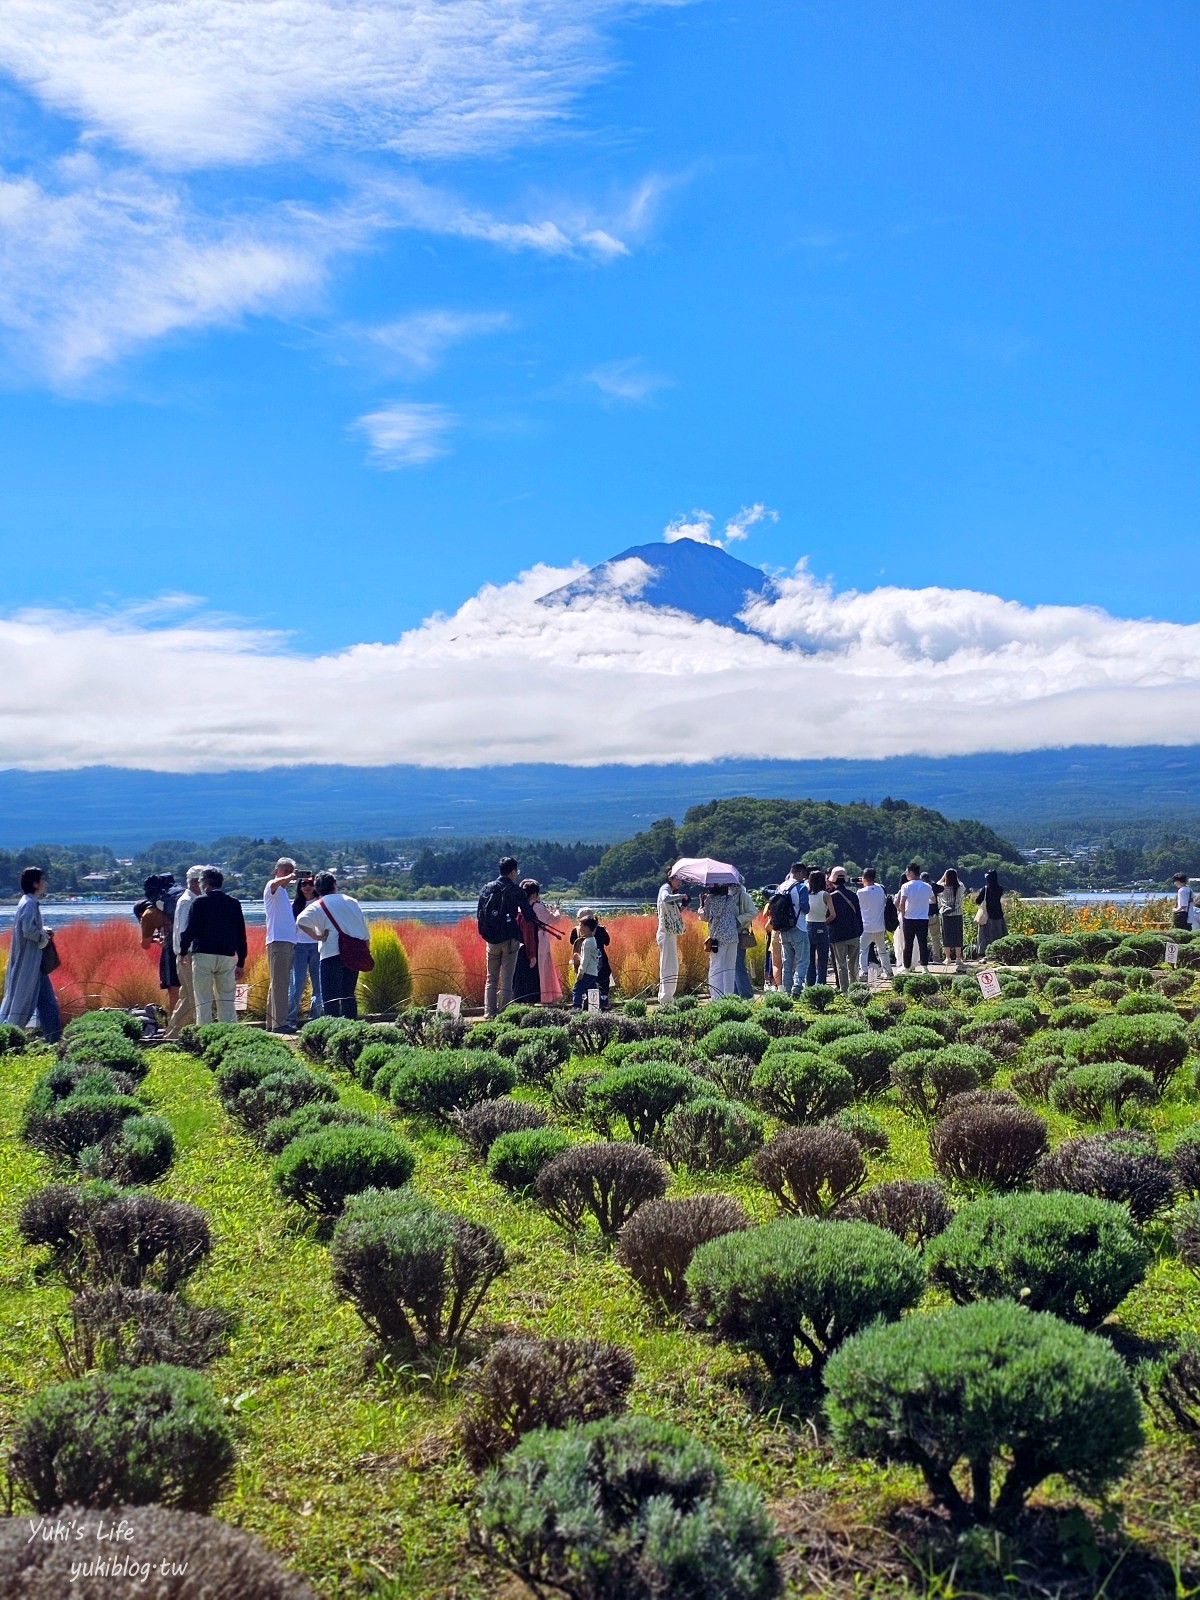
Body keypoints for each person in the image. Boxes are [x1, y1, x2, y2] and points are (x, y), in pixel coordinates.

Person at [296, 872, 369, 1020]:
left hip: (330, 953)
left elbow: (300, 921)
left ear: (317, 888)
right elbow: (363, 930)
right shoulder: (351, 901)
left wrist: (317, 937)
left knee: (330, 998)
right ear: (335, 885)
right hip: (353, 953)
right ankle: (352, 1028)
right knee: (348, 995)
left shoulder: (318, 905)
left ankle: (333, 1030)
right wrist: (366, 949)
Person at [0, 866, 61, 1043]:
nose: (46, 884)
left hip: (33, 964)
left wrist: (42, 931)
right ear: (35, 883)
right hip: (31, 964)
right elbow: (28, 930)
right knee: (38, 1003)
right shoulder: (30, 903)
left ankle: (53, 1040)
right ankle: (12, 1038)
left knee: (46, 1002)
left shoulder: (25, 901)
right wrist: (44, 937)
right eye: (43, 880)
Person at [179, 867, 247, 1024]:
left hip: (204, 955)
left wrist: (183, 951)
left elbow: (190, 930)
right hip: (227, 956)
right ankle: (229, 1033)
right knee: (227, 1000)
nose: (200, 884)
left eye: (201, 881)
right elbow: (240, 934)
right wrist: (241, 961)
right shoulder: (234, 903)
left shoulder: (199, 902)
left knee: (203, 999)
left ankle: (204, 1033)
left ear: (207, 883)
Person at [476, 857, 535, 1019]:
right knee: (507, 979)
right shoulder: (516, 891)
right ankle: (503, 1016)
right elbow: (530, 916)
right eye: (517, 871)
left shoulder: (487, 889)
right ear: (513, 872)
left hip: (491, 940)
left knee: (491, 979)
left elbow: (479, 915)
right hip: (510, 940)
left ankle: (488, 1014)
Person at [163, 864, 205, 1040]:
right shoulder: (188, 901)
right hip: (187, 955)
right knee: (190, 996)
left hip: (186, 954)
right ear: (196, 882)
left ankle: (177, 1033)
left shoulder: (190, 899)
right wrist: (183, 954)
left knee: (188, 995)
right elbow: (183, 931)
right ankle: (173, 1033)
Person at [263, 857, 299, 1032]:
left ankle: (273, 1022)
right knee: (281, 983)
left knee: (277, 982)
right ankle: (280, 1023)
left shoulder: (283, 893)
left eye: (291, 870)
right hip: (279, 942)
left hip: (285, 942)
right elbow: (276, 883)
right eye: (285, 870)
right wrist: (290, 876)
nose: (288, 874)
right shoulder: (272, 887)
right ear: (276, 871)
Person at [769, 861, 810, 996]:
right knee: (802, 960)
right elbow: (805, 908)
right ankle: (797, 989)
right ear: (799, 873)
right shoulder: (801, 887)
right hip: (799, 927)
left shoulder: (780, 887)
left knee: (787, 962)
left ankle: (787, 989)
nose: (804, 877)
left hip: (783, 929)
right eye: (803, 874)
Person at [287, 874, 323, 1029]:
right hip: (299, 947)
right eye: (303, 884)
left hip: (317, 947)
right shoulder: (293, 905)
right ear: (299, 888)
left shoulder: (320, 903)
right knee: (297, 984)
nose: (307, 886)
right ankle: (291, 1019)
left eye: (310, 883)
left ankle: (316, 1018)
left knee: (318, 985)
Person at [523, 879, 565, 1004]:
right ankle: (545, 997)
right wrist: (556, 909)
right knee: (543, 969)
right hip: (540, 941)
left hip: (527, 942)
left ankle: (530, 997)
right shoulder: (538, 907)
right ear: (535, 894)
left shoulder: (522, 907)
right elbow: (554, 919)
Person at [700, 883, 740, 999]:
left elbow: (705, 917)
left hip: (717, 938)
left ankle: (716, 998)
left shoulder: (709, 899)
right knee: (730, 968)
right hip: (732, 936)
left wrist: (701, 904)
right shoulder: (730, 899)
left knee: (716, 968)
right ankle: (729, 996)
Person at [828, 868, 864, 993]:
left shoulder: (831, 897)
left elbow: (829, 916)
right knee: (853, 965)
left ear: (833, 880)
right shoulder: (853, 895)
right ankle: (855, 989)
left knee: (841, 965)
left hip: (837, 935)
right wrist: (859, 931)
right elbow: (859, 915)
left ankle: (845, 991)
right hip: (854, 933)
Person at [656, 873, 690, 1002]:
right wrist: (681, 896)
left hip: (669, 933)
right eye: (677, 879)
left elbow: (673, 912)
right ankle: (666, 998)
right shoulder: (665, 888)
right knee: (669, 965)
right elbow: (665, 898)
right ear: (670, 879)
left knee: (670, 965)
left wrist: (684, 905)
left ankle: (666, 996)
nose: (680, 882)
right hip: (666, 933)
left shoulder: (670, 890)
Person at [856, 868, 892, 982]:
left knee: (863, 950)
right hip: (879, 926)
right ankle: (888, 971)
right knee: (882, 950)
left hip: (866, 926)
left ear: (863, 878)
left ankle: (865, 971)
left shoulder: (860, 892)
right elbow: (877, 886)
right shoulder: (881, 889)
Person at [898, 863, 935, 972]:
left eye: (907, 872)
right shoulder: (927, 886)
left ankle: (906, 967)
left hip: (909, 918)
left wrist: (903, 914)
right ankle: (924, 967)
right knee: (923, 943)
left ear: (911, 873)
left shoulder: (906, 886)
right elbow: (933, 900)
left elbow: (902, 902)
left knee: (908, 944)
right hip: (923, 918)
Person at [805, 869, 835, 986]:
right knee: (822, 960)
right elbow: (833, 914)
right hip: (821, 925)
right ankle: (821, 985)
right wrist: (824, 922)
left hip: (808, 925)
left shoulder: (806, 894)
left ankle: (810, 985)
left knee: (809, 960)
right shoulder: (825, 895)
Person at [733, 879, 758, 998]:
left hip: (739, 933)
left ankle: (746, 994)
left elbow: (753, 912)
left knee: (738, 964)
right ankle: (736, 993)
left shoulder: (743, 895)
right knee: (733, 965)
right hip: (731, 934)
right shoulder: (731, 895)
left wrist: (739, 920)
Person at [938, 869, 966, 971]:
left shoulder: (943, 887)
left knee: (946, 935)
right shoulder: (959, 887)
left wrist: (943, 876)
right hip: (957, 913)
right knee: (958, 934)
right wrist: (956, 877)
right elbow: (962, 885)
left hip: (946, 914)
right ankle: (958, 958)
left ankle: (948, 958)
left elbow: (936, 885)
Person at [974, 869, 1007, 956]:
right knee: (998, 934)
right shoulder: (1000, 888)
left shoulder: (985, 889)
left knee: (985, 936)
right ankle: (999, 952)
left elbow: (977, 901)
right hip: (998, 914)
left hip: (987, 915)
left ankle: (984, 953)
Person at [571, 915, 601, 1008]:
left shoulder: (587, 942)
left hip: (587, 972)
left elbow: (585, 959)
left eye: (581, 925)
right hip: (593, 971)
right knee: (591, 990)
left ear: (587, 928)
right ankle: (594, 1008)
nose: (579, 928)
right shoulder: (592, 939)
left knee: (577, 989)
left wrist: (581, 972)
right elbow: (589, 957)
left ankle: (576, 1008)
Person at [922, 872, 944, 964]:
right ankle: (936, 958)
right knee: (935, 937)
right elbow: (942, 888)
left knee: (922, 938)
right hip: (933, 914)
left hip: (922, 915)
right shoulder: (933, 885)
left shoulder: (921, 887)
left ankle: (923, 958)